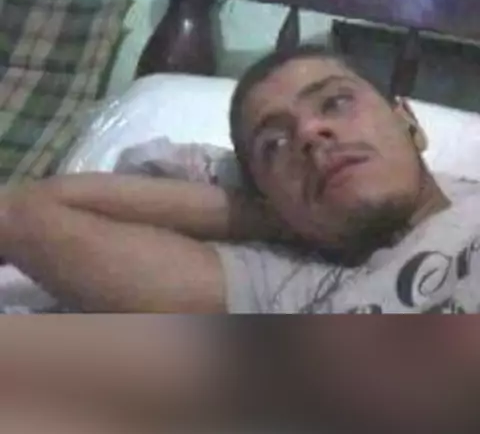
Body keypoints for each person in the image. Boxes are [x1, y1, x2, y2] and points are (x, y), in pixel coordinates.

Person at [0, 44, 479, 313]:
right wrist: (274, 216)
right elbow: (21, 213)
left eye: (335, 102)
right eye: (274, 144)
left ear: (409, 122)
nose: (310, 134)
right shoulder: (280, 284)